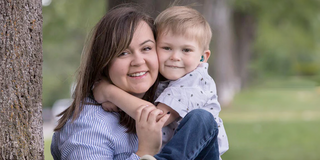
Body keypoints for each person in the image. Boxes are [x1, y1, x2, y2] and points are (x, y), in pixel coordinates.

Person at [51, 4, 219, 160]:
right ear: (103, 61)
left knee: (202, 118)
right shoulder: (89, 127)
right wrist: (145, 151)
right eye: (123, 53)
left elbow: (156, 117)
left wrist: (110, 92)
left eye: (146, 48)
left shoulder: (181, 84)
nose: (138, 61)